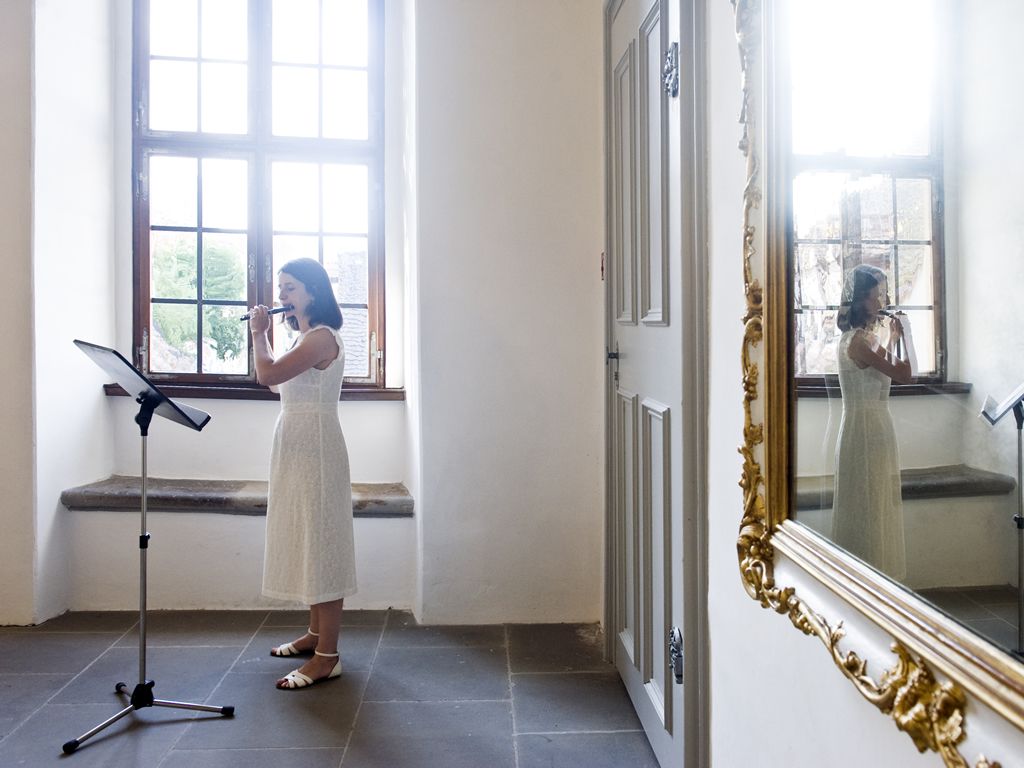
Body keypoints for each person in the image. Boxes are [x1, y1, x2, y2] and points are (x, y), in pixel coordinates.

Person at [246, 257, 356, 690]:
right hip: (297, 442)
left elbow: (266, 373)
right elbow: (278, 383)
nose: (282, 297)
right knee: (308, 538)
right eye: (281, 289)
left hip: (317, 447)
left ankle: (328, 656)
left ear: (313, 291)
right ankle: (315, 635)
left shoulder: (322, 338)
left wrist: (258, 333)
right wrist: (266, 337)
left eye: (289, 287)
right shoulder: (305, 338)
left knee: (323, 542)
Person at [830, 264, 913, 579]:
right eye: (876, 296)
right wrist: (903, 339)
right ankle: (867, 579)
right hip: (868, 430)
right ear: (860, 301)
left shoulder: (859, 338)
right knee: (868, 508)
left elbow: (877, 373)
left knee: (870, 506)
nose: (882, 302)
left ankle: (873, 577)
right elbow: (904, 374)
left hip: (864, 427)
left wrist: (891, 339)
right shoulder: (861, 341)